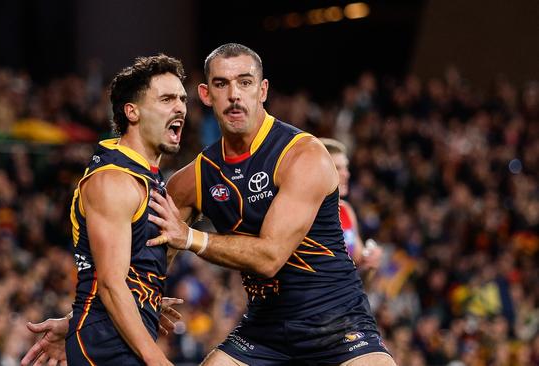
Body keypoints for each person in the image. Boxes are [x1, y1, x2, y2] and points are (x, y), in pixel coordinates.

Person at [23, 44, 396, 366]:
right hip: (265, 329)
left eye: (245, 83)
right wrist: (80, 323)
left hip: (337, 320)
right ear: (206, 94)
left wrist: (191, 238)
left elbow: (269, 257)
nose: (234, 94)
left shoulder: (302, 155)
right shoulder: (194, 178)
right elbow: (135, 266)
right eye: (222, 84)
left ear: (262, 90)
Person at [23, 54, 187, 366]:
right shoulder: (113, 181)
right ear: (132, 111)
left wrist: (145, 302)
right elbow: (111, 285)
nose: (179, 107)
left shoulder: (145, 177)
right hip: (105, 349)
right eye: (166, 98)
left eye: (181, 98)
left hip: (114, 339)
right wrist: (158, 361)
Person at [319, 138, 383, 285]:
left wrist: (370, 261)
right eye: (337, 168)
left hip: (344, 303)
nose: (346, 174)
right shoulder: (303, 211)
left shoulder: (346, 211)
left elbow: (359, 268)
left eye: (346, 167)